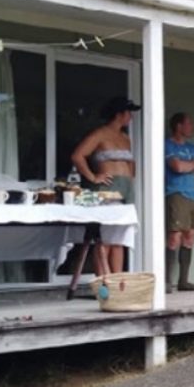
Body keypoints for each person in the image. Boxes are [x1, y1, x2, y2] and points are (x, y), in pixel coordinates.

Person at [71, 96, 140, 275]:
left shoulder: (125, 138)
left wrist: (131, 177)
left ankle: (117, 283)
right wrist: (93, 177)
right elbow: (78, 156)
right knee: (105, 240)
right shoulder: (99, 134)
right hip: (107, 189)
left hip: (126, 189)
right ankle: (103, 283)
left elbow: (130, 162)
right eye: (128, 113)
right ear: (119, 114)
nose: (130, 117)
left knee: (119, 240)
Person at [165, 112, 194, 292]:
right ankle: (167, 281)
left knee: (190, 237)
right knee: (174, 237)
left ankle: (183, 281)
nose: (192, 127)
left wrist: (189, 165)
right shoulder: (168, 145)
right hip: (176, 193)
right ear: (178, 126)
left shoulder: (193, 148)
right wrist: (193, 165)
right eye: (188, 123)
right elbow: (176, 166)